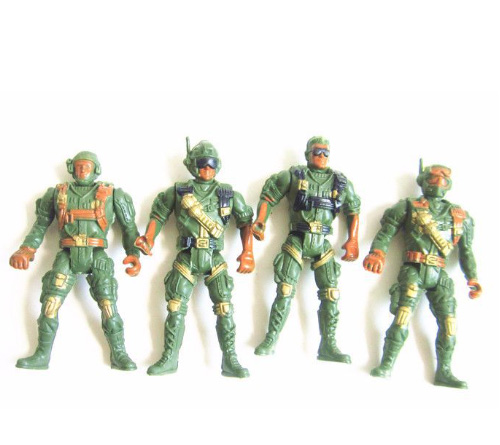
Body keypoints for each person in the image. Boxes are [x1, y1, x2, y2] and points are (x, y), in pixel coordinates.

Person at [10, 151, 141, 370]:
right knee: (50, 304)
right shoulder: (56, 193)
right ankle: (42, 355)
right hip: (67, 254)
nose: (82, 170)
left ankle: (119, 354)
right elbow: (40, 226)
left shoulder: (113, 194)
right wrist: (25, 250)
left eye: (87, 166)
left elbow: (129, 229)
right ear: (72, 168)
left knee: (109, 306)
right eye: (79, 166)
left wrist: (134, 254)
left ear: (96, 169)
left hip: (97, 255)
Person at [135, 138, 254, 377]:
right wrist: (148, 238)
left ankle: (230, 359)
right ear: (192, 165)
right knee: (175, 307)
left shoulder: (228, 193)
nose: (207, 169)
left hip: (214, 257)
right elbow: (158, 215)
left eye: (211, 164)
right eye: (201, 163)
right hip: (187, 257)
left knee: (225, 308)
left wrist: (248, 252)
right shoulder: (179, 191)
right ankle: (169, 358)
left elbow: (246, 222)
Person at [363, 161, 482, 388]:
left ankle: (444, 371)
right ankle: (386, 364)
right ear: (423, 181)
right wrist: (377, 253)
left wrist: (472, 277)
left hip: (439, 273)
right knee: (402, 317)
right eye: (433, 178)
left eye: (443, 179)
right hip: (414, 270)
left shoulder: (460, 216)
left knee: (449, 324)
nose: (438, 182)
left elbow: (466, 251)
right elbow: (386, 232)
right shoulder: (408, 206)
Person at [252, 136, 360, 361]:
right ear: (308, 154)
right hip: (298, 238)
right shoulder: (293, 176)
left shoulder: (340, 181)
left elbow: (353, 210)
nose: (321, 156)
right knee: (285, 290)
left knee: (331, 293)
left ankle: (328, 344)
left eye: (325, 153)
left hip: (322, 242)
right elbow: (268, 197)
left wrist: (353, 240)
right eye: (317, 152)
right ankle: (271, 338)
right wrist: (261, 221)